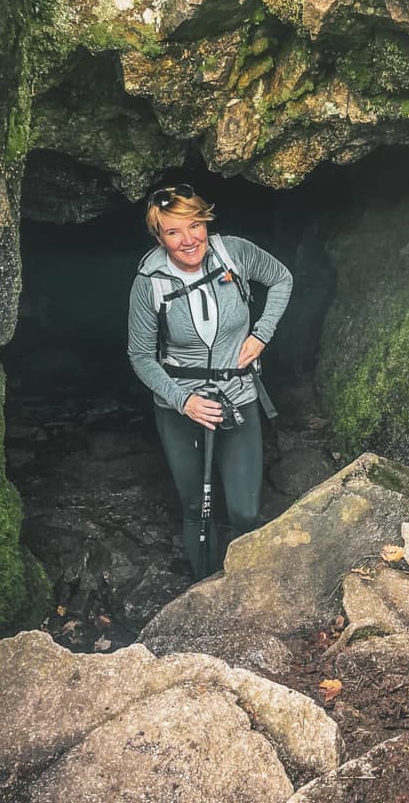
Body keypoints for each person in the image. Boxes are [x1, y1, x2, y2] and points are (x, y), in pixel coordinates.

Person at [127, 183, 293, 579]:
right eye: (173, 232)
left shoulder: (232, 252)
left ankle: (248, 590)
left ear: (206, 222)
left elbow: (281, 279)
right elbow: (140, 356)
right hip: (181, 407)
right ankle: (204, 594)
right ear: (159, 237)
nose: (188, 240)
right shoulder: (150, 283)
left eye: (194, 226)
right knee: (195, 509)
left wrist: (262, 333)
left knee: (244, 511)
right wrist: (183, 400)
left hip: (237, 395)